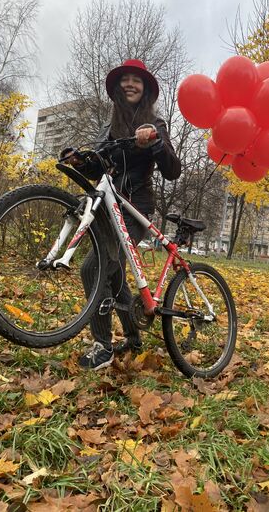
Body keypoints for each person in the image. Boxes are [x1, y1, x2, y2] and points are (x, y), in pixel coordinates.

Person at [65, 59, 181, 370]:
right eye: (125, 80)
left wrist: (155, 142)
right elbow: (97, 168)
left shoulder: (156, 123)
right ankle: (133, 336)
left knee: (94, 267)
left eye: (136, 80)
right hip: (108, 209)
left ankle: (102, 347)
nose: (130, 84)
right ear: (118, 88)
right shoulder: (109, 129)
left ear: (145, 90)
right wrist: (80, 161)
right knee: (114, 276)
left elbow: (173, 170)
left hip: (135, 207)